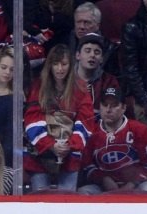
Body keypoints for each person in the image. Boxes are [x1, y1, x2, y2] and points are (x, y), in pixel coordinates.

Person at [24, 44, 95, 191]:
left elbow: (86, 121)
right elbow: (32, 120)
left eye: (64, 64)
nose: (60, 69)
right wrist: (50, 144)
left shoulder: (79, 88)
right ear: (50, 65)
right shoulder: (39, 86)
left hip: (69, 155)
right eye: (55, 64)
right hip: (40, 155)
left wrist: (70, 145)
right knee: (40, 200)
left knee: (67, 201)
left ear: (70, 65)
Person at [79, 87, 147, 195]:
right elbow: (86, 164)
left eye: (114, 105)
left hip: (136, 185)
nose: (108, 110)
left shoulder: (140, 130)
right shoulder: (91, 132)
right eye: (104, 105)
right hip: (103, 187)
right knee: (83, 192)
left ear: (123, 108)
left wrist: (133, 183)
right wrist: (103, 178)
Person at [67, 2, 121, 83]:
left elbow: (113, 80)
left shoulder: (109, 49)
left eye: (87, 22)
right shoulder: (65, 42)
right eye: (78, 22)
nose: (81, 27)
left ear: (97, 26)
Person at [74, 33, 119, 120]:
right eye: (87, 51)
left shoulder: (109, 81)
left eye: (97, 52)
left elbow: (113, 114)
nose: (92, 55)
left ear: (102, 58)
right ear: (78, 55)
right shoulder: (66, 79)